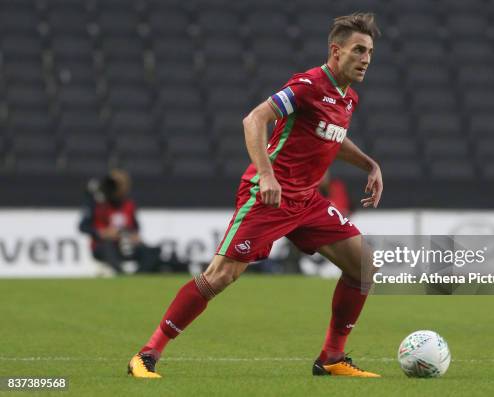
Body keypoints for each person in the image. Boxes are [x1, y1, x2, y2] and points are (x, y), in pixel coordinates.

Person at [128, 13, 384, 378]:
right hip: (269, 196)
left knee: (364, 267)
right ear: (336, 50)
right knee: (221, 276)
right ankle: (146, 354)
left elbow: (333, 137)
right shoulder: (308, 85)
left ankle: (331, 357)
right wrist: (266, 175)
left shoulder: (348, 99)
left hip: (307, 201)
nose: (366, 59)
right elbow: (254, 119)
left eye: (370, 52)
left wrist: (369, 165)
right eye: (359, 50)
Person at [79, 169, 189, 274]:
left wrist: (133, 235)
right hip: (103, 245)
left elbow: (135, 227)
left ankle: (138, 276)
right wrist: (102, 232)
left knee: (152, 251)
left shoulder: (129, 205)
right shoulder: (98, 204)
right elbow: (83, 227)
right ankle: (120, 274)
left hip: (125, 244)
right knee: (108, 248)